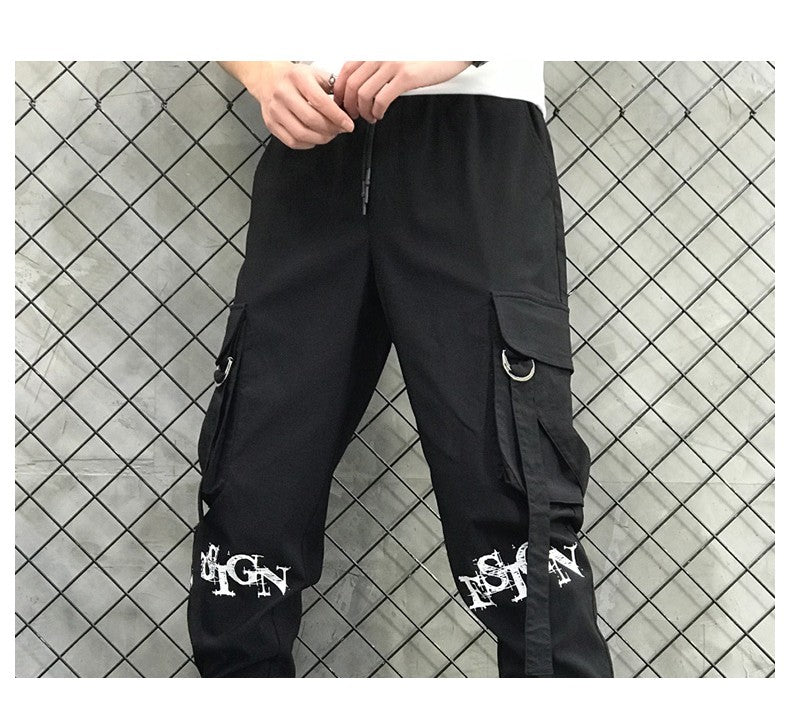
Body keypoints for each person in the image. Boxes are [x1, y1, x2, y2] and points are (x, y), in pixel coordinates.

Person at [186, 59, 615, 678]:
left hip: (472, 136)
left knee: (519, 534)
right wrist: (263, 70)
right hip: (314, 137)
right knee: (246, 522)